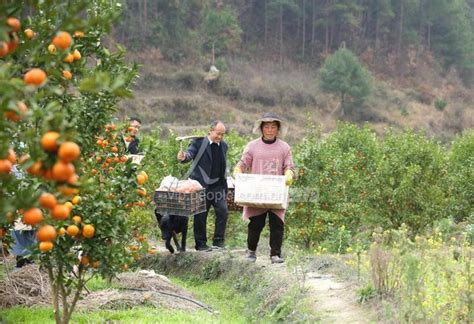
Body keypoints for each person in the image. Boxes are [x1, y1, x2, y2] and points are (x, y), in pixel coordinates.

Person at [234, 112, 295, 264]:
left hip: (276, 191)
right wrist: (238, 171)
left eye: (273, 127)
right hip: (257, 191)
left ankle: (275, 254)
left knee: (277, 224)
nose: (270, 130)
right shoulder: (252, 146)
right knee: (256, 223)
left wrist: (289, 174)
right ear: (261, 128)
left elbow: (289, 166)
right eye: (266, 127)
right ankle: (251, 252)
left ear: (278, 129)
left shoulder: (284, 147)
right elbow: (243, 163)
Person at [177, 120, 228, 251]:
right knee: (200, 215)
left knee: (223, 211)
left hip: (218, 186)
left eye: (223, 134)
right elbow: (189, 154)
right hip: (200, 185)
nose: (220, 137)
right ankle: (200, 244)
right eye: (218, 134)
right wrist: (184, 157)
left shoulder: (224, 146)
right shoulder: (198, 143)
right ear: (210, 130)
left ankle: (218, 241)